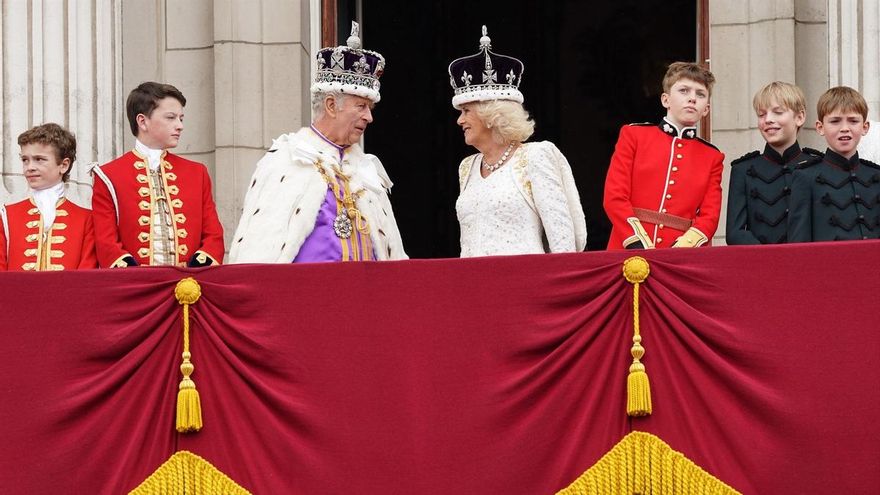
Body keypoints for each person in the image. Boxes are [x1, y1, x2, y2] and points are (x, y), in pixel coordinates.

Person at [229, 22, 406, 263]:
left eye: (370, 108)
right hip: (307, 287)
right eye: (361, 106)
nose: (369, 117)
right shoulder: (286, 160)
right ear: (331, 105)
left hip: (367, 287)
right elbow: (258, 254)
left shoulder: (367, 171)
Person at [447, 26, 586, 257]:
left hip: (526, 278)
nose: (460, 120)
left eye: (466, 111)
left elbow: (563, 242)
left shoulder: (535, 156)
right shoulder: (467, 167)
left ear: (491, 115)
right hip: (473, 278)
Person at [91, 82, 224, 268]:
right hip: (135, 282)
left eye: (181, 118)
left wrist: (194, 272)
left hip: (190, 282)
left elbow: (213, 236)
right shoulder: (108, 175)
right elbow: (106, 244)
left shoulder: (197, 173)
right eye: (171, 117)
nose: (180, 126)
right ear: (142, 121)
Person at [603, 62, 724, 249]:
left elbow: (710, 216)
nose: (692, 98)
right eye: (684, 91)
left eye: (700, 94)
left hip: (681, 256)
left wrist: (680, 250)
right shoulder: (634, 136)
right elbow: (614, 196)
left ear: (706, 109)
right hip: (628, 247)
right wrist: (637, 241)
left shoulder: (712, 157)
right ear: (665, 100)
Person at [726, 82, 822, 244]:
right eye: (761, 114)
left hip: (807, 259)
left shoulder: (817, 166)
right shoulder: (743, 170)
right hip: (759, 259)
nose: (768, 120)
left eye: (778, 112)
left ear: (799, 117)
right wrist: (769, 256)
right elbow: (735, 233)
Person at [0, 123, 97, 271]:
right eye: (25, 160)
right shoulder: (7, 216)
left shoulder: (86, 219)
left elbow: (86, 275)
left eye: (39, 159)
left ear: (63, 165)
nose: (30, 167)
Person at [788, 86, 879, 242]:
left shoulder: (876, 175)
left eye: (853, 121)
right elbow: (799, 243)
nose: (845, 129)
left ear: (865, 127)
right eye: (835, 121)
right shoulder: (806, 177)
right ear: (820, 127)